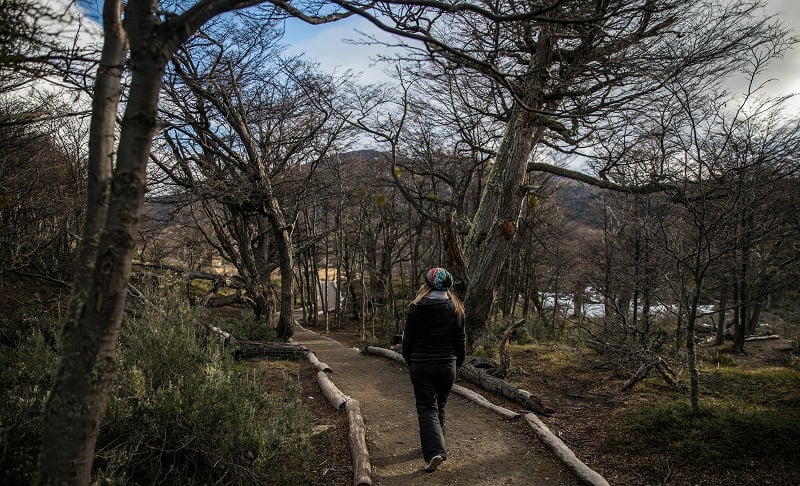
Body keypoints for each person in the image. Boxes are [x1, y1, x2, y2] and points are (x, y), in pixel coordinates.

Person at [401, 267, 466, 473]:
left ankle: (434, 451)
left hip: (422, 365)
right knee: (440, 406)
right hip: (448, 366)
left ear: (427, 285)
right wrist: (458, 364)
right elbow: (460, 341)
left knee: (427, 408)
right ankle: (437, 446)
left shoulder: (416, 307)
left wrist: (410, 361)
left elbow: (407, 341)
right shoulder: (456, 308)